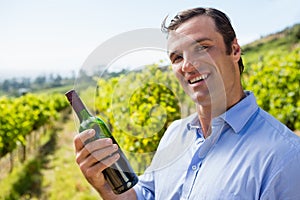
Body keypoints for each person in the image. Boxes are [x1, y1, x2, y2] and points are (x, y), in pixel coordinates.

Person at [73, 7, 300, 199]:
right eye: (177, 58)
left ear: (234, 50)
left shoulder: (285, 157)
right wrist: (103, 184)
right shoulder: (175, 133)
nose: (187, 65)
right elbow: (146, 195)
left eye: (201, 47)